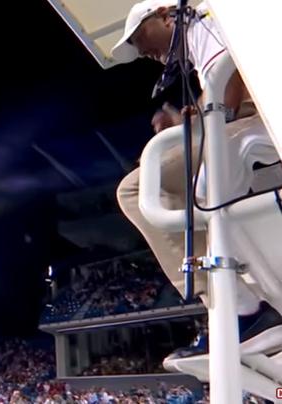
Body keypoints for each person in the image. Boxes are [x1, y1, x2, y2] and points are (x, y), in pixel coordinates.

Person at [112, 0, 282, 357]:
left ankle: (241, 308)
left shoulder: (201, 20)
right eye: (141, 53)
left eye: (142, 37)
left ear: (165, 14)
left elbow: (228, 92)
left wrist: (199, 120)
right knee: (159, 176)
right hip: (250, 117)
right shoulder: (200, 33)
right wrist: (186, 123)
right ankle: (241, 307)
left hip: (259, 118)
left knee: (141, 188)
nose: (145, 51)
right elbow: (222, 92)